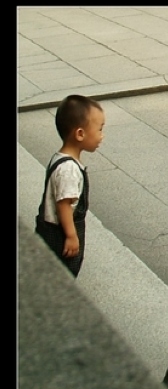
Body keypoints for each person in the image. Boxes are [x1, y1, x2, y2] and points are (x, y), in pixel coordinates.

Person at [34, 95, 105, 277]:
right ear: (80, 133)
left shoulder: (60, 159)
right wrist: (71, 236)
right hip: (58, 234)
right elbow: (64, 204)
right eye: (99, 129)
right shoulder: (69, 169)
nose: (101, 136)